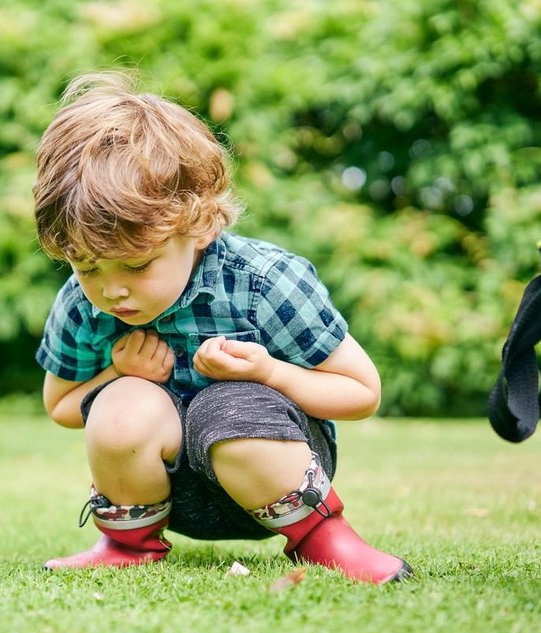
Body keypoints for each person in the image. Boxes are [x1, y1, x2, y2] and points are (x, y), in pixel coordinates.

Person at [32, 70, 412, 584]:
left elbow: (362, 392)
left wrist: (270, 373)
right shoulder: (82, 303)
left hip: (275, 473)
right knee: (123, 401)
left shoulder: (265, 282)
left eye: (138, 265)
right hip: (166, 496)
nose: (112, 290)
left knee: (226, 404)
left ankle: (324, 539)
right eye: (89, 266)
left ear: (200, 225)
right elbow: (60, 405)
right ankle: (128, 543)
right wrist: (117, 374)